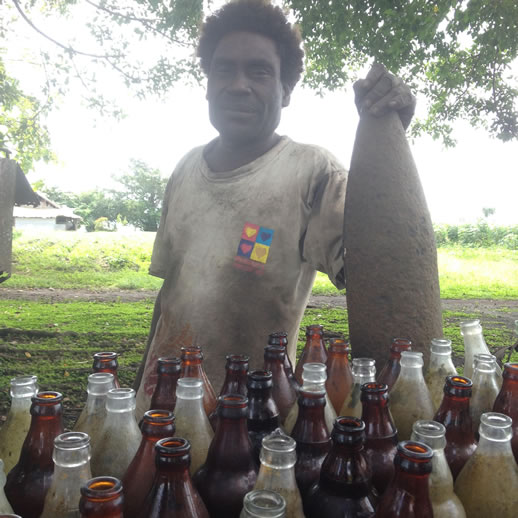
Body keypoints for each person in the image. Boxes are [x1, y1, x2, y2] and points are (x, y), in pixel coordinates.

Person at [135, 0, 416, 416]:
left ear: (286, 91)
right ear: (208, 85)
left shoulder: (313, 172)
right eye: (224, 69)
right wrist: (141, 382)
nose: (238, 84)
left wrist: (388, 134)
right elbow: (168, 298)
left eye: (260, 71)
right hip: (159, 408)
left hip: (248, 417)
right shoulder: (185, 169)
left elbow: (376, 270)